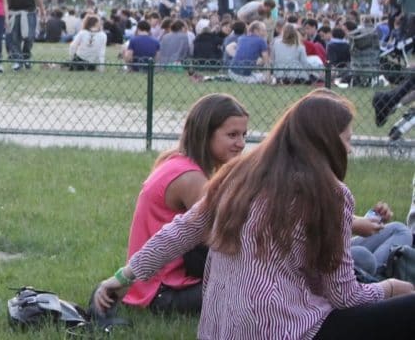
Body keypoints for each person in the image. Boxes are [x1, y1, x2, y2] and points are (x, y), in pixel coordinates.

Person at [96, 90, 415, 337]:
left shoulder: (237, 174)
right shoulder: (331, 195)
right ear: (326, 142)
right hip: (290, 330)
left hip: (220, 332)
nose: (350, 149)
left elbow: (179, 232)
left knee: (370, 257)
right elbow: (344, 296)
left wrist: (125, 275)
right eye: (346, 140)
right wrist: (389, 288)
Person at [122, 94, 249, 314]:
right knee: (255, 288)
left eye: (243, 135)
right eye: (232, 135)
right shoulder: (190, 179)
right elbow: (226, 239)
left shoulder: (175, 161)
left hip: (146, 287)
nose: (241, 144)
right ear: (205, 134)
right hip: (163, 293)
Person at [5, 0, 44, 71]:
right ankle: (18, 60)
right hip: (14, 13)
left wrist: (42, 10)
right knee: (15, 38)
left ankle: (26, 57)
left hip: (29, 13)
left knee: (30, 37)